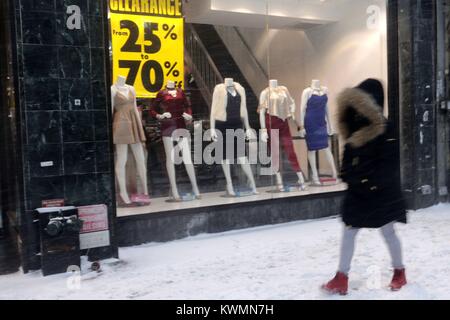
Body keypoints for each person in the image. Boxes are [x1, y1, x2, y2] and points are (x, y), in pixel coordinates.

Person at [322, 79, 407, 296]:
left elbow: (388, 166)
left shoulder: (386, 130)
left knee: (388, 231)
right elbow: (347, 158)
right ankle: (341, 277)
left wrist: (370, 184)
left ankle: (400, 272)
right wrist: (348, 176)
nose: (358, 110)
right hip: (358, 192)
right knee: (349, 231)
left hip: (382, 193)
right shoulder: (355, 126)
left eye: (362, 104)